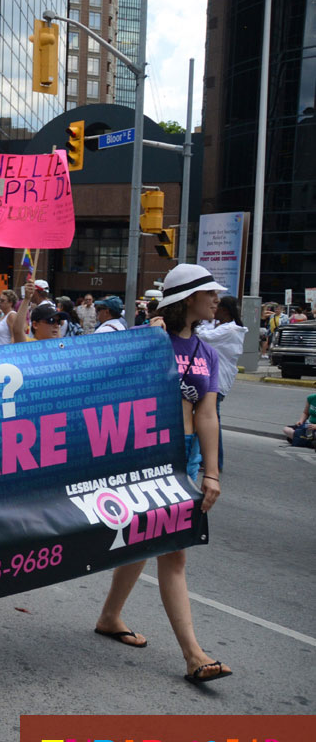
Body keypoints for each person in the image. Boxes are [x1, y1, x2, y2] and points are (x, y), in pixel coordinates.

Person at [94, 264, 230, 684]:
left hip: (185, 458)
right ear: (188, 298)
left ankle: (110, 616)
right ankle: (193, 654)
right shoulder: (148, 340)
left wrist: (211, 472)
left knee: (149, 542)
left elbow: (207, 414)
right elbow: (105, 382)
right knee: (172, 550)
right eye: (209, 293)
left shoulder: (207, 353)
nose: (216, 300)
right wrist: (143, 340)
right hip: (145, 454)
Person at [196, 294, 246, 471]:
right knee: (208, 419)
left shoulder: (229, 330)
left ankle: (214, 462)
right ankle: (208, 459)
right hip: (215, 379)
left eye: (216, 306)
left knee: (211, 421)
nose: (213, 310)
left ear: (224, 310)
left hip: (217, 381)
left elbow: (205, 337)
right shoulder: (226, 328)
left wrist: (193, 321)